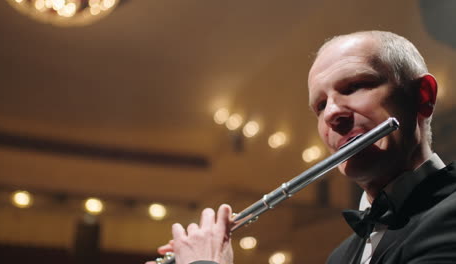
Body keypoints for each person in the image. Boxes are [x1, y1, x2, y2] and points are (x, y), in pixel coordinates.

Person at [148, 31, 456, 264]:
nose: (333, 114)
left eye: (354, 86)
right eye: (321, 105)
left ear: (423, 96)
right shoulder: (341, 256)